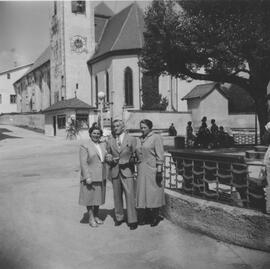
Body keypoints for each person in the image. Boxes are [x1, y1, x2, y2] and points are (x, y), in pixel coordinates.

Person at [105, 119, 138, 230]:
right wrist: (109, 158)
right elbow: (107, 154)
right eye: (114, 126)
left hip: (127, 171)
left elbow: (137, 154)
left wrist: (131, 160)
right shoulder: (110, 140)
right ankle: (119, 218)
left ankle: (132, 220)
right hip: (115, 171)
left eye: (118, 126)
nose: (115, 128)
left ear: (123, 127)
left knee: (130, 196)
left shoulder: (132, 139)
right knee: (117, 196)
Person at [136, 119, 165, 227]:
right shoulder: (139, 139)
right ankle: (146, 215)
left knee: (154, 193)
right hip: (142, 169)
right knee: (143, 193)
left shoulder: (156, 137)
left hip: (152, 169)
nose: (142, 130)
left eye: (144, 127)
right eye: (141, 127)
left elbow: (160, 155)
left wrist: (159, 171)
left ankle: (155, 216)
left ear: (150, 128)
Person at [79, 125, 107, 228]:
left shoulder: (102, 145)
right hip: (90, 176)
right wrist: (87, 177)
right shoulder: (84, 145)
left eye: (98, 133)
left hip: (100, 176)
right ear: (90, 134)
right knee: (89, 198)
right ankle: (91, 218)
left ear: (100, 135)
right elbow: (83, 163)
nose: (96, 135)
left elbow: (104, 157)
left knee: (97, 198)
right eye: (94, 133)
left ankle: (96, 216)